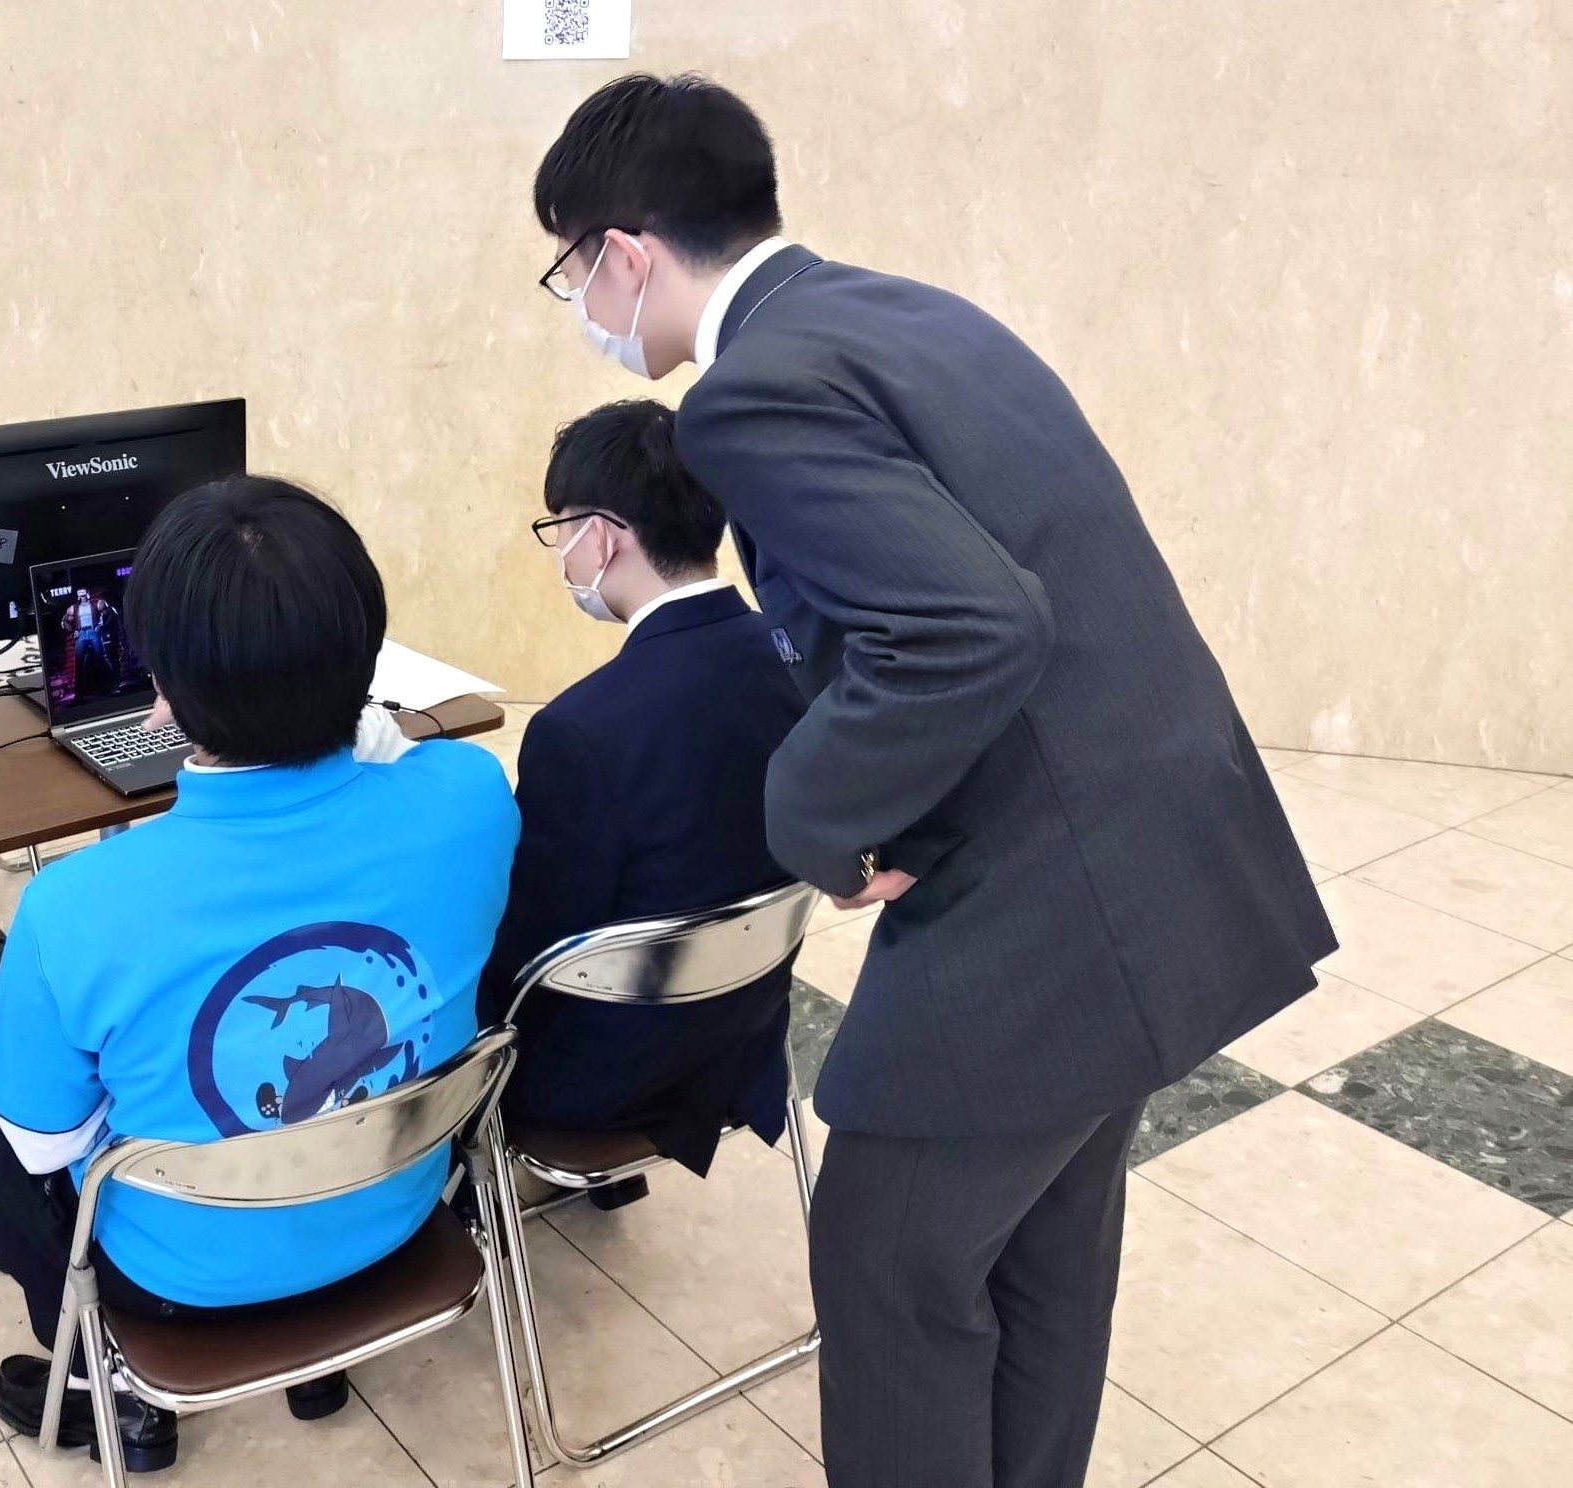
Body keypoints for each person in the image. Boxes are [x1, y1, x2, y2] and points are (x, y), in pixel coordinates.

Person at [531, 75, 1336, 1488]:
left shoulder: (746, 394)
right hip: (1162, 845)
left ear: (626, 253)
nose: (580, 307)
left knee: (888, 1254)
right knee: (1042, 1244)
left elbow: (973, 624)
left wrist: (813, 816)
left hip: (1047, 894)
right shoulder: (914, 312)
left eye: (569, 272)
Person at [0, 476, 518, 1475]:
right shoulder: (472, 794)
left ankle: (109, 1381)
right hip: (400, 1211)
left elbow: (42, 1145)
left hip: (181, 1287)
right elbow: (394, 753)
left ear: (160, 692)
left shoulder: (74, 905)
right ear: (369, 654)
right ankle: (310, 1364)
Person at [479, 398, 806, 1191]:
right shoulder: (796, 659)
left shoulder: (580, 731)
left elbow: (525, 956)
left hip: (606, 1082)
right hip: (746, 1032)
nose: (561, 552)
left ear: (601, 535)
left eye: (560, 530)